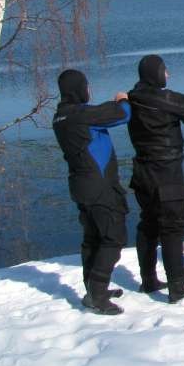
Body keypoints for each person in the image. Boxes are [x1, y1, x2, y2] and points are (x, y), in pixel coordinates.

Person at [127, 54, 184, 303]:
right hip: (166, 172)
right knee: (172, 228)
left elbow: (180, 110)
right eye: (165, 71)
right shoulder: (162, 98)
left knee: (148, 224)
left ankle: (148, 279)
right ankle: (177, 286)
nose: (168, 75)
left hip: (142, 172)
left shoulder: (134, 97)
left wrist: (181, 116)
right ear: (156, 73)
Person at [52, 69, 131, 315]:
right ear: (78, 89)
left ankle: (93, 288)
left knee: (93, 238)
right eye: (86, 86)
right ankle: (97, 294)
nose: (89, 90)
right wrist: (122, 98)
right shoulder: (81, 114)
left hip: (80, 185)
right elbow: (121, 114)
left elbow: (98, 115)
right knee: (113, 238)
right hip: (99, 187)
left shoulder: (60, 117)